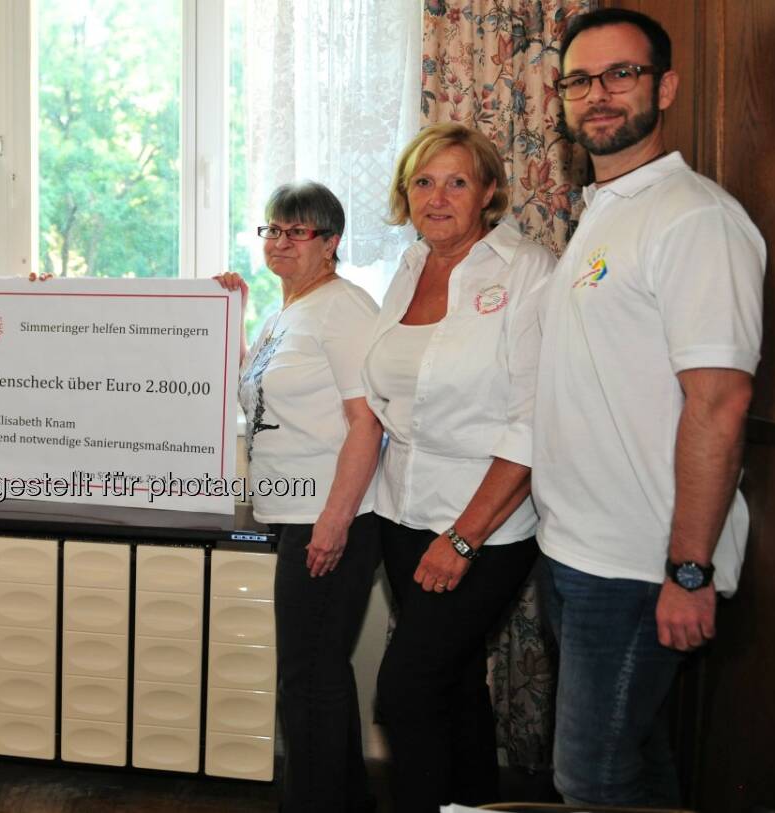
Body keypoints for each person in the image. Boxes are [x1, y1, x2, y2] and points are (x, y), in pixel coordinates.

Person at [533, 9, 763, 806]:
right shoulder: (606, 211)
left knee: (589, 777)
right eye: (578, 80)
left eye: (620, 74)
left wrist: (689, 570)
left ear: (663, 86)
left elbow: (722, 402)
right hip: (573, 550)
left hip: (638, 565)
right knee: (633, 762)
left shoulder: (694, 218)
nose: (597, 95)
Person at [361, 123, 555, 812]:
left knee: (405, 690)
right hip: (402, 512)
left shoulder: (526, 270)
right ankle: (472, 805)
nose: (436, 196)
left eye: (457, 181)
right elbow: (386, 391)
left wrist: (464, 536)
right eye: (422, 181)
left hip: (487, 526)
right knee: (454, 682)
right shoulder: (409, 267)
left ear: (490, 192)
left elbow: (534, 418)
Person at [218, 181, 383, 811]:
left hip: (329, 520)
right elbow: (252, 398)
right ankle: (346, 801)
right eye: (272, 230)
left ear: (331, 243)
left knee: (305, 681)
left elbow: (367, 422)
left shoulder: (344, 309)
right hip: (293, 515)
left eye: (297, 231)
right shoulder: (284, 313)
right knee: (320, 674)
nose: (281, 241)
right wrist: (231, 313)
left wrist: (334, 522)